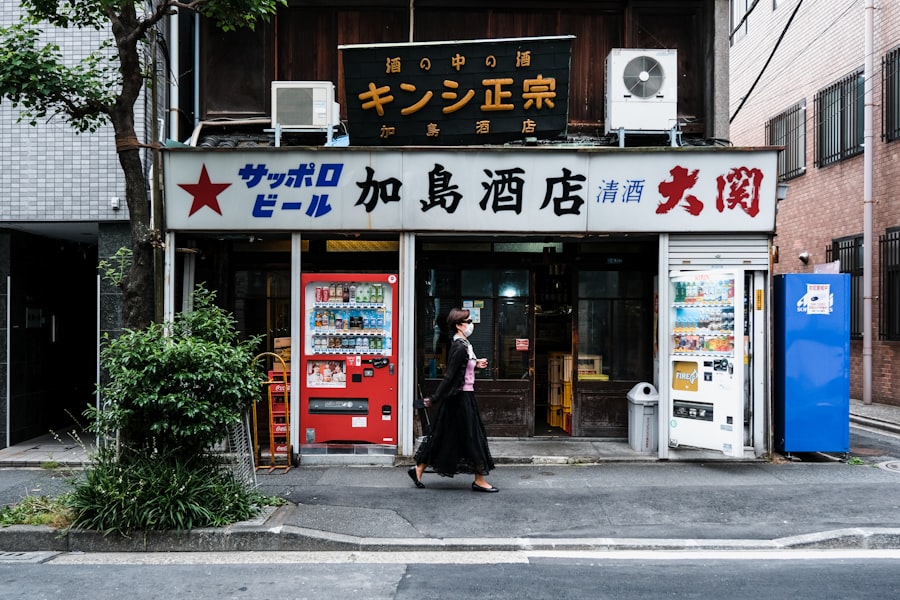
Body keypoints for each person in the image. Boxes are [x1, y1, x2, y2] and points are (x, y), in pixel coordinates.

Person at [408, 307, 498, 493]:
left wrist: (476, 363)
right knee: (473, 437)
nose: (471, 325)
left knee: (445, 436)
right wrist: (433, 399)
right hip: (459, 398)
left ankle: (418, 469)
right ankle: (479, 480)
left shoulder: (464, 343)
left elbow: (462, 368)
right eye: (469, 322)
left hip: (463, 396)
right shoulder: (458, 346)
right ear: (458, 325)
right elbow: (449, 376)